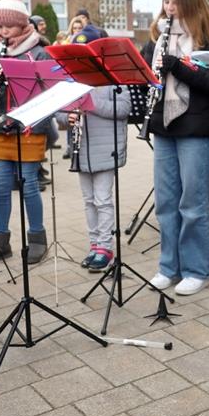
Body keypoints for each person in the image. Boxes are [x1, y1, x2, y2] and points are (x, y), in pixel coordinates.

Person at [146, 0, 209, 296]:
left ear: (190, 2)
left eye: (175, 2)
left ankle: (198, 270)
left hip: (195, 128)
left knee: (192, 204)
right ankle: (169, 267)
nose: (169, 8)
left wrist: (177, 66)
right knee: (165, 202)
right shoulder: (158, 36)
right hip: (164, 126)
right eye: (166, 2)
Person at [0, 0, 50, 267]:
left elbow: (49, 93)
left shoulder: (39, 51)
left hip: (30, 128)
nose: (3, 32)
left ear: (23, 24)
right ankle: (0, 242)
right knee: (1, 186)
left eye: (8, 26)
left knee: (29, 185)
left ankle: (38, 240)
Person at [72, 79, 131, 272]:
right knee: (88, 201)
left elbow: (123, 109)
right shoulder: (75, 81)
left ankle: (105, 247)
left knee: (102, 200)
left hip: (107, 149)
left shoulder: (114, 81)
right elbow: (61, 114)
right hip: (82, 150)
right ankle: (94, 244)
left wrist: (90, 102)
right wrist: (68, 117)